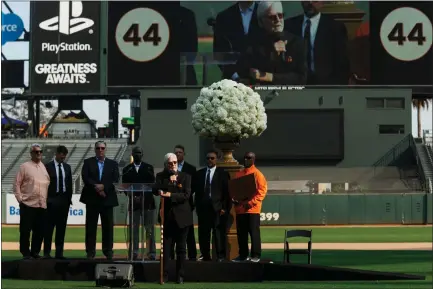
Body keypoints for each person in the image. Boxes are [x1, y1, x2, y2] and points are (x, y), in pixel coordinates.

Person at [235, 1, 307, 85]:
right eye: (272, 17)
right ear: (261, 21)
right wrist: (271, 52)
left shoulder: (297, 42)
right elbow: (244, 72)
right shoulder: (252, 44)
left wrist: (270, 77)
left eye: (280, 16)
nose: (277, 20)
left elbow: (301, 78)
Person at [285, 1, 350, 85]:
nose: (310, 2)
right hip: (295, 84)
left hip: (325, 85)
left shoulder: (335, 27)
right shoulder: (288, 26)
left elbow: (342, 65)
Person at [154, 153, 193, 284]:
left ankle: (180, 276)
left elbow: (186, 195)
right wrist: (169, 183)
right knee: (166, 249)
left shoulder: (185, 177)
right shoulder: (161, 177)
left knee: (181, 249)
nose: (173, 165)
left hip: (182, 218)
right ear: (166, 164)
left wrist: (170, 194)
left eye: (175, 162)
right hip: (167, 218)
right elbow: (156, 190)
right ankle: (164, 275)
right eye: (170, 163)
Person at [80, 141, 120, 260]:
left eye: (102, 148)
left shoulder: (113, 164)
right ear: (95, 149)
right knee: (91, 227)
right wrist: (98, 187)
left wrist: (104, 187)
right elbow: (86, 178)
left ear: (105, 149)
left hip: (107, 200)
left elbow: (115, 179)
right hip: (92, 199)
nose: (100, 150)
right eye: (98, 148)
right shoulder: (88, 162)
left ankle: (108, 251)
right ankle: (90, 251)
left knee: (108, 227)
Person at [14, 143, 50, 259]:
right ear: (31, 153)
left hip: (41, 204)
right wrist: (20, 199)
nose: (38, 153)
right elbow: (17, 183)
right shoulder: (24, 166)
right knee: (25, 230)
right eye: (36, 151)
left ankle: (35, 252)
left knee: (39, 231)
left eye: (40, 151)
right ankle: (25, 253)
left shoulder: (44, 167)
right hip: (28, 203)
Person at [194, 150, 230, 261]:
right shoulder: (200, 173)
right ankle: (205, 255)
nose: (210, 160)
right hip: (203, 208)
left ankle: (220, 256)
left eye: (212, 158)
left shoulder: (222, 173)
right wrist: (197, 206)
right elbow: (197, 192)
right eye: (208, 158)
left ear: (217, 159)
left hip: (217, 208)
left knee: (218, 233)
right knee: (203, 233)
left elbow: (227, 193)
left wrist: (225, 207)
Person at [232, 152, 267, 263]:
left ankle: (256, 255)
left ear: (254, 160)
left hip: (252, 209)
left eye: (249, 158)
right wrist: (234, 199)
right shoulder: (239, 174)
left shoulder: (258, 174)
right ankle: (243, 255)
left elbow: (262, 191)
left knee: (254, 233)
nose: (247, 159)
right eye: (245, 157)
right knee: (241, 234)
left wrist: (251, 203)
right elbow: (235, 190)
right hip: (241, 209)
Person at [122, 146, 156, 260]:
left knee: (150, 229)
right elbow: (125, 186)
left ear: (142, 154)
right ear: (132, 154)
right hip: (134, 203)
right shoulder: (127, 169)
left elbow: (151, 184)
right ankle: (134, 252)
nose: (137, 155)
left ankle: (151, 253)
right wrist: (132, 195)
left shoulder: (148, 168)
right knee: (133, 230)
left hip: (148, 203)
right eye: (135, 153)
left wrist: (141, 196)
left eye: (139, 153)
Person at [213, 1, 261, 80]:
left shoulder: (267, 14)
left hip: (262, 80)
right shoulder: (224, 17)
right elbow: (219, 52)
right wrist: (235, 77)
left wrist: (262, 75)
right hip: (232, 82)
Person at [43, 145, 73, 259]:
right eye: (61, 154)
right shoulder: (47, 167)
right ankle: (46, 253)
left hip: (64, 201)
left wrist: (68, 199)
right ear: (56, 154)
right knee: (48, 228)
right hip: (51, 200)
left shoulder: (67, 167)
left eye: (65, 155)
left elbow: (69, 184)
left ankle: (59, 253)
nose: (63, 157)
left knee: (61, 228)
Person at [172, 144, 197, 261]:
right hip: (172, 205)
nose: (177, 154)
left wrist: (184, 196)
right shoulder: (169, 168)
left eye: (180, 152)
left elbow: (194, 187)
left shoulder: (191, 169)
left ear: (184, 154)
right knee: (172, 233)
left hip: (186, 204)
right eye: (176, 152)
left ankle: (192, 256)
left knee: (189, 232)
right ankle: (171, 257)